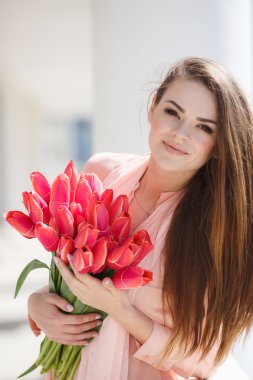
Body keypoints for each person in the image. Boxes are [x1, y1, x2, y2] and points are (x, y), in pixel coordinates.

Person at [27, 56, 253, 380]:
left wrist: (122, 312)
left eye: (203, 127)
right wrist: (38, 304)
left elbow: (204, 360)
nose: (181, 133)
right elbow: (64, 278)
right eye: (173, 112)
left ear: (218, 145)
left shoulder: (216, 231)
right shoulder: (100, 173)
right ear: (153, 108)